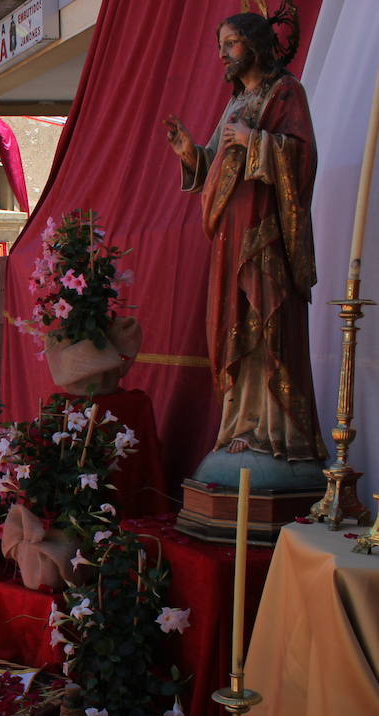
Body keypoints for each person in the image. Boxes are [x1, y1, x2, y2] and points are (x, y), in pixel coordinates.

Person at [164, 6, 325, 462]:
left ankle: (277, 432)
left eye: (230, 44)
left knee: (267, 319)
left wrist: (255, 142)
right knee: (235, 322)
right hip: (231, 234)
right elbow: (216, 161)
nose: (223, 55)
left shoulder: (286, 92)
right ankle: (241, 423)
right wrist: (191, 154)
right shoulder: (235, 103)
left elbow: (304, 157)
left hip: (266, 234)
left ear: (253, 44)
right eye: (220, 46)